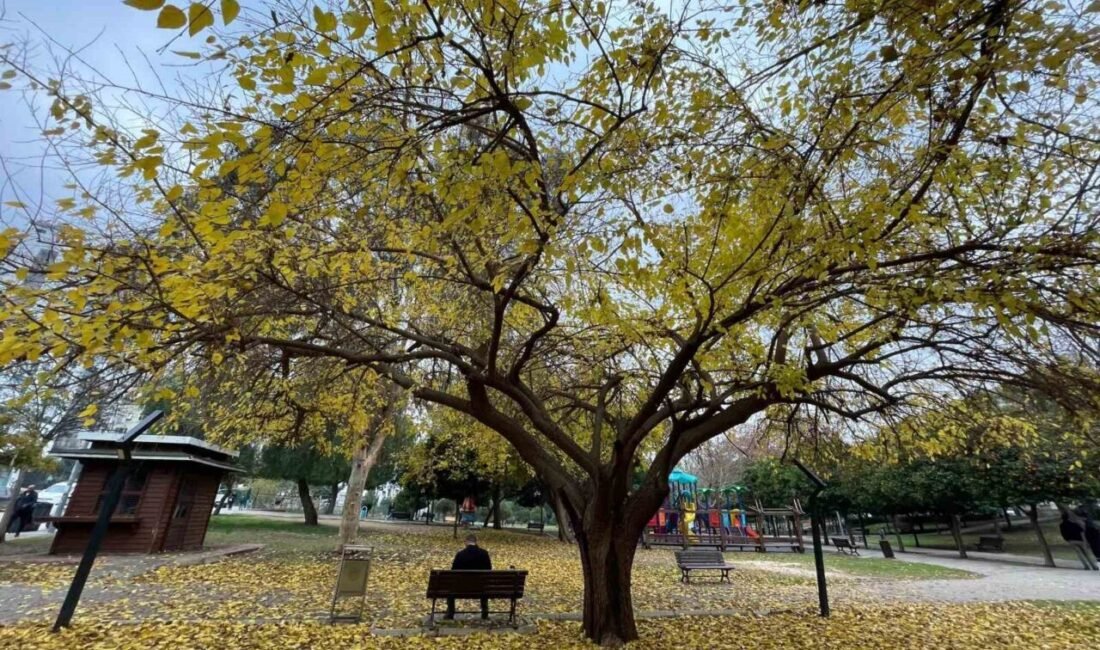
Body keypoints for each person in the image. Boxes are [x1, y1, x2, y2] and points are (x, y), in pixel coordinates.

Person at [445, 533, 492, 620]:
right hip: (481, 588)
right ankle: (485, 612)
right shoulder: (484, 554)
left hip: (461, 588)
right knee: (483, 583)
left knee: (450, 587)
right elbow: (489, 571)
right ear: (476, 542)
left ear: (466, 542)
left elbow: (453, 572)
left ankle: (450, 613)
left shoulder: (460, 554)